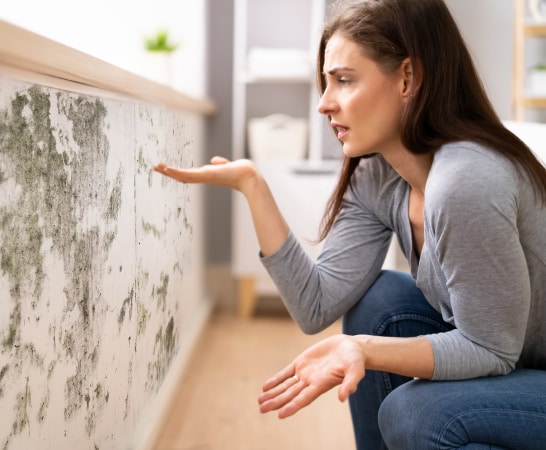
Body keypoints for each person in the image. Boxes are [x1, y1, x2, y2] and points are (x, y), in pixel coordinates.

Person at [154, 0, 546, 448]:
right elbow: (316, 305)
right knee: (378, 301)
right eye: (325, 83)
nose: (324, 104)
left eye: (343, 80)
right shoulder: (378, 176)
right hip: (518, 359)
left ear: (408, 78)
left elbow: (492, 350)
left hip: (524, 369)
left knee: (415, 413)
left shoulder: (467, 181)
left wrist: (363, 349)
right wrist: (252, 186)